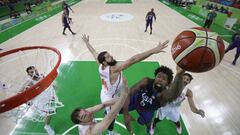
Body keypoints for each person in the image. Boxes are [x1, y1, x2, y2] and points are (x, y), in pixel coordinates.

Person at [82, 34, 169, 135]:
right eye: (109, 57)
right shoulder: (114, 69)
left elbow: (93, 52)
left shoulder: (100, 64)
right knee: (111, 117)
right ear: (104, 62)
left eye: (109, 54)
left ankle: (107, 112)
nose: (112, 56)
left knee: (118, 105)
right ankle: (110, 132)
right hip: (111, 97)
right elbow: (133, 60)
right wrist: (153, 51)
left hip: (105, 92)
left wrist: (87, 43)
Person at [122, 66, 186, 134]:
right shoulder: (146, 81)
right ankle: (131, 132)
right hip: (135, 100)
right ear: (155, 77)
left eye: (164, 79)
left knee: (146, 123)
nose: (160, 79)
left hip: (147, 111)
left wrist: (179, 75)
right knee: (120, 109)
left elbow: (175, 93)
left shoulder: (164, 95)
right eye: (158, 76)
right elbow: (128, 93)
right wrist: (126, 114)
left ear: (168, 83)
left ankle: (149, 127)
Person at [21, 66, 63, 135]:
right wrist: (26, 101)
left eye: (35, 70)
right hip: (39, 101)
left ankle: (46, 116)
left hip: (46, 96)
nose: (35, 72)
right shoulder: (29, 82)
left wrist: (53, 86)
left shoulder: (42, 75)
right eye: (32, 72)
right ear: (29, 75)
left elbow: (47, 82)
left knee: (52, 109)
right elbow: (20, 92)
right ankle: (47, 126)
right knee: (49, 112)